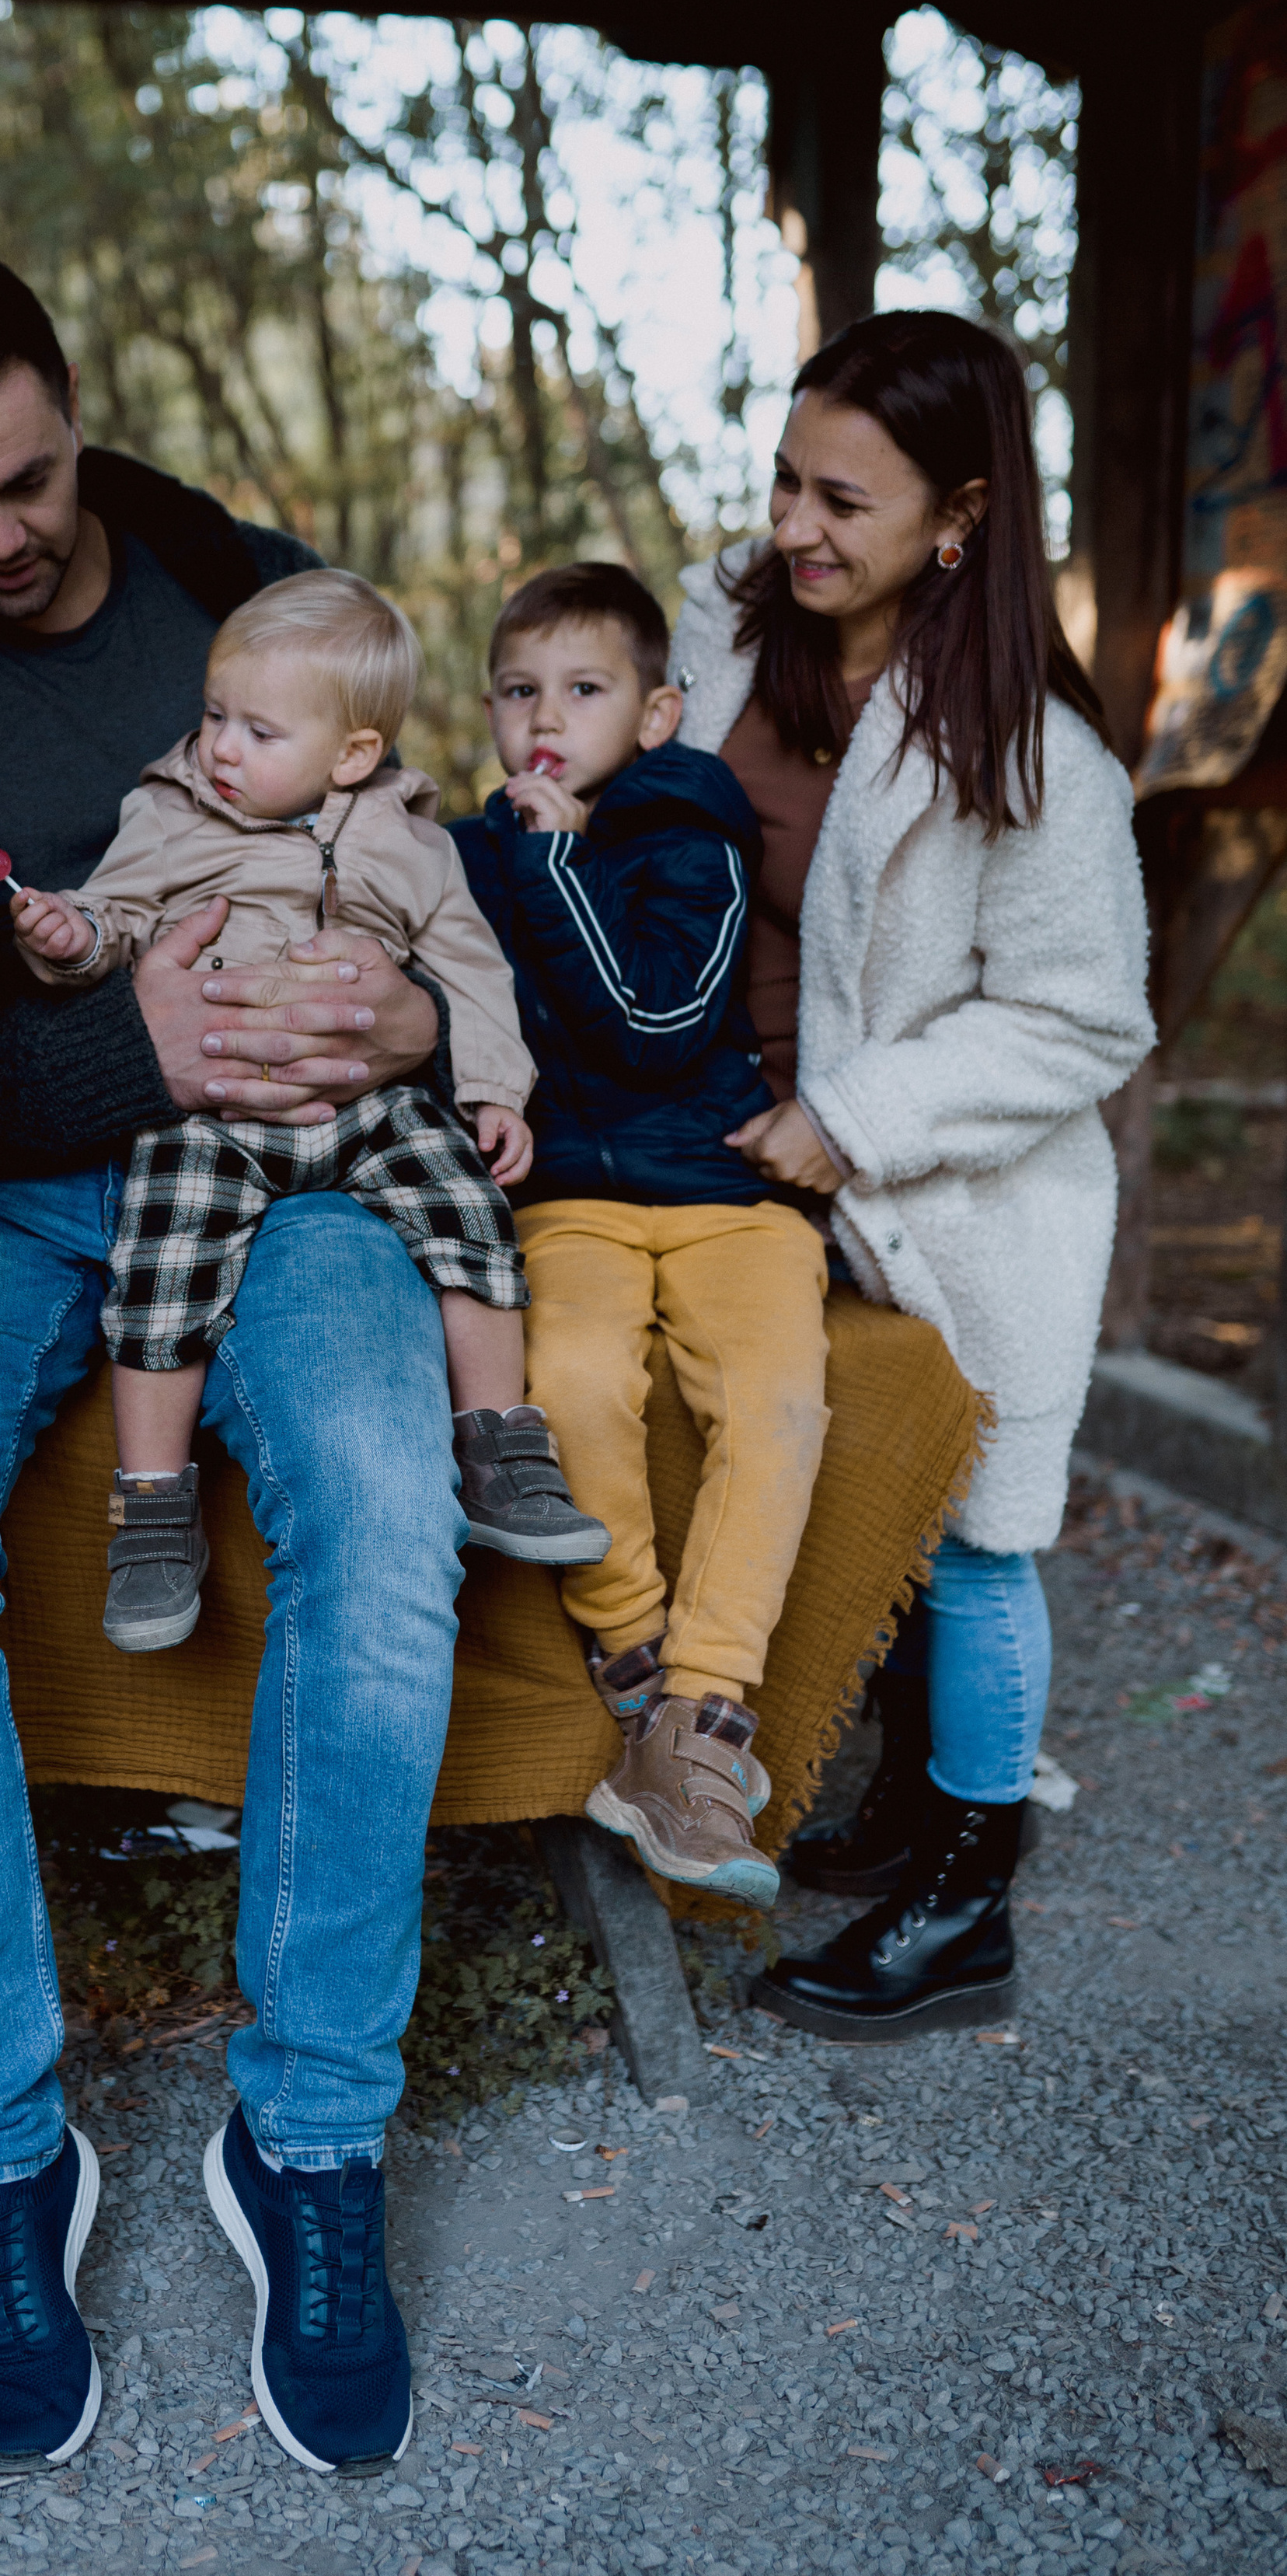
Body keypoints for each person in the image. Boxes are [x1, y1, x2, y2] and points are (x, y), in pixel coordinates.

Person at [0, 250, 462, 2474]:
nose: (0, 537)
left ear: (76, 411)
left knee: (387, 1497)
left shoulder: (262, 597)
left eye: (26, 479)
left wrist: (417, 1022)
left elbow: (439, 887)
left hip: (302, 1178)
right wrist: (100, 1054)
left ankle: (310, 2138)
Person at [661, 309, 1152, 2039]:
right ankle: (906, 1801)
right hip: (729, 1155)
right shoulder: (720, 639)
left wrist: (853, 1117)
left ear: (955, 518)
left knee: (977, 1544)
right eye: (784, 480)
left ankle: (968, 1899)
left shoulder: (1032, 757)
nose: (793, 526)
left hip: (953, 1195)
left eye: (840, 503)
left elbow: (1084, 1022)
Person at [9, 567, 608, 1649]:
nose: (222, 748)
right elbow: (115, 914)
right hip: (219, 1106)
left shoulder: (413, 847)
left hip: (368, 1104)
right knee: (160, 1259)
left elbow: (472, 971)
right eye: (215, 717)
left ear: (354, 756)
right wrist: (73, 939)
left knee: (469, 1214)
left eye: (258, 731)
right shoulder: (170, 813)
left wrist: (494, 1090)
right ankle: (150, 1508)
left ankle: (500, 1446)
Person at [452, 563, 829, 1908]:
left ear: (658, 713)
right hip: (568, 1195)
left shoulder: (693, 826)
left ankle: (706, 1710)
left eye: (585, 688)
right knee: (570, 1386)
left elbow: (659, 1026)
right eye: (518, 690)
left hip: (725, 1186)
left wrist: (553, 861)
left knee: (779, 1400)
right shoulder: (483, 847)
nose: (545, 714)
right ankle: (638, 1669)